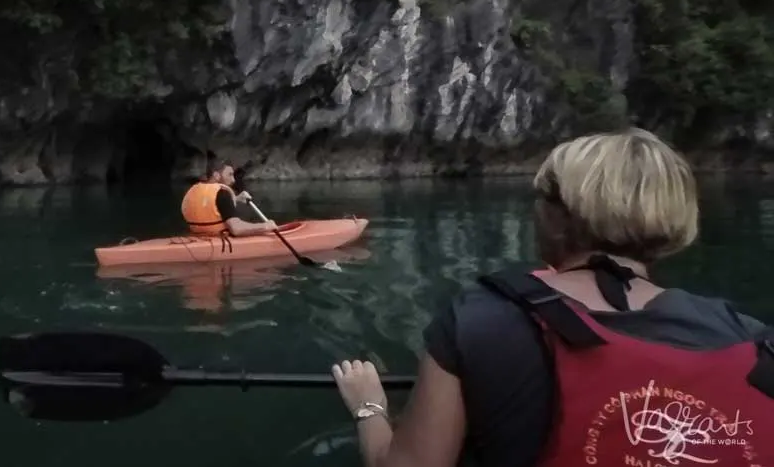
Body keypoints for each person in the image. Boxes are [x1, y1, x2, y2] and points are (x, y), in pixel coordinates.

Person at [330, 127, 774, 467]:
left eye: (541, 198)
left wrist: (369, 407)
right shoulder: (751, 338)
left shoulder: (482, 322)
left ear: (560, 217)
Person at [180, 158, 277, 237]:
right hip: (219, 238)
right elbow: (236, 229)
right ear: (216, 175)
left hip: (196, 237)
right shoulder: (222, 193)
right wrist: (265, 226)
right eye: (230, 175)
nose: (233, 180)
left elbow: (211, 205)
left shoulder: (192, 191)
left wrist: (236, 198)